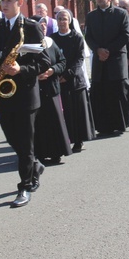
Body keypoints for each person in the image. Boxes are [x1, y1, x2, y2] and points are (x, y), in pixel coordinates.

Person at [0, 0, 51, 208]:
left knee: (24, 144)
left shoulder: (31, 27)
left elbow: (44, 62)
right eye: (2, 0)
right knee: (13, 139)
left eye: (8, 1)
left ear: (20, 3)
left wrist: (20, 69)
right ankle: (34, 165)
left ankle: (24, 186)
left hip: (25, 94)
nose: (4, 5)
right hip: (4, 94)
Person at [85, 0, 129, 134]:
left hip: (116, 58)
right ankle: (104, 126)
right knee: (100, 92)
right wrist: (97, 50)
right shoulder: (91, 16)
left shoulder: (120, 14)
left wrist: (108, 50)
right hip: (99, 59)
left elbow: (125, 35)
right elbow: (88, 37)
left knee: (120, 90)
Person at [50, 9, 95, 153]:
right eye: (59, 19)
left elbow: (79, 59)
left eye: (64, 19)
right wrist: (57, 73)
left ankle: (78, 140)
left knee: (76, 113)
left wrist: (68, 74)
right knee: (63, 114)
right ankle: (64, 140)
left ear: (69, 21)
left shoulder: (76, 37)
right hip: (58, 79)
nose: (62, 21)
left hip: (74, 80)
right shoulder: (52, 38)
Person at [31, 15, 71, 165]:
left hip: (51, 88)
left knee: (54, 122)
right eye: (38, 25)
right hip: (35, 90)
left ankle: (56, 153)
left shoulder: (50, 42)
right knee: (39, 124)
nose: (41, 27)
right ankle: (40, 154)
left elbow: (62, 62)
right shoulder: (27, 46)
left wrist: (52, 71)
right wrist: (36, 75)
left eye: (43, 25)